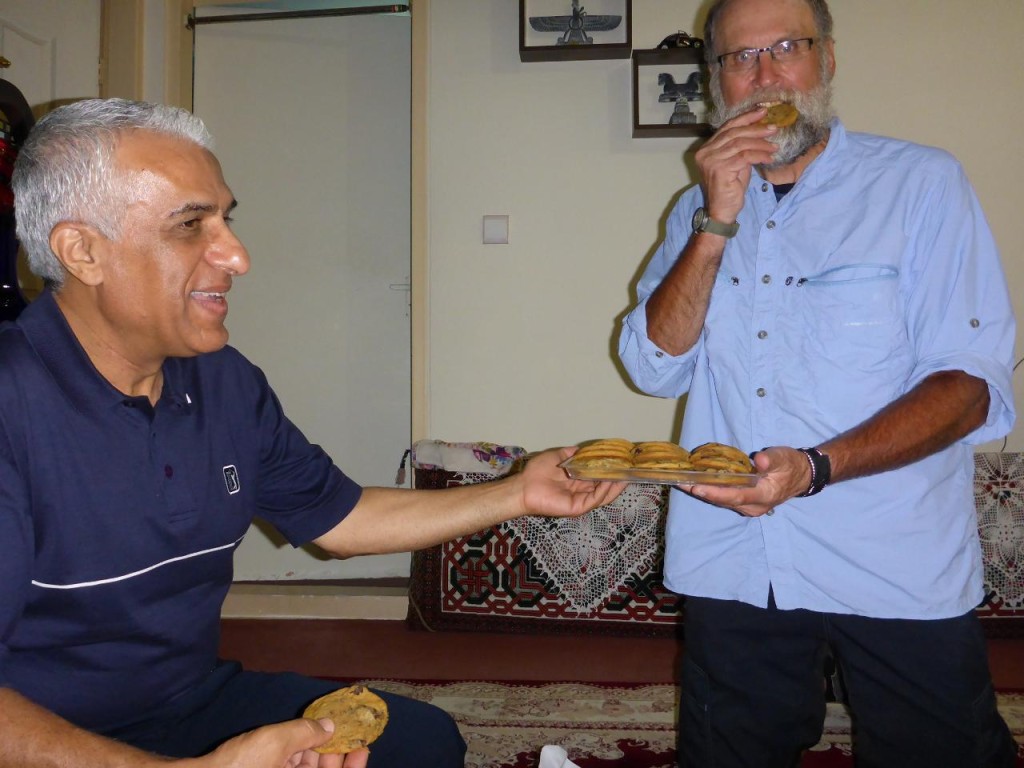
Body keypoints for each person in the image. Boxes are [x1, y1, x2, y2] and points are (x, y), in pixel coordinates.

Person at [0, 98, 626, 768]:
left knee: (420, 745)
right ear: (82, 251)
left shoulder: (224, 383)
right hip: (41, 735)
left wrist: (518, 494)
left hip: (185, 703)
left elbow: (340, 517)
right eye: (190, 226)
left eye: (227, 221)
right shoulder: (13, 404)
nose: (237, 255)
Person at [617, 0, 1017, 766]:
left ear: (826, 61)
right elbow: (651, 365)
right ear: (716, 83)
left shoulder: (921, 184)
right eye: (741, 58)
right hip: (735, 558)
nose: (766, 75)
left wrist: (815, 469)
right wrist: (715, 222)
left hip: (891, 555)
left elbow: (968, 386)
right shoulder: (692, 210)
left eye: (786, 49)